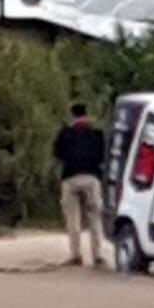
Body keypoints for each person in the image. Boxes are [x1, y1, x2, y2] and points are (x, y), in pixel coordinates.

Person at [54, 103, 106, 266]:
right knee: (94, 218)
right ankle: (97, 255)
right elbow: (103, 156)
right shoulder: (97, 134)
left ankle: (76, 254)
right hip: (91, 177)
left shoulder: (65, 134)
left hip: (70, 178)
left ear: (73, 116)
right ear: (87, 114)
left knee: (73, 219)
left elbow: (57, 154)